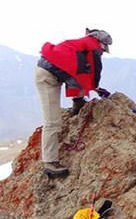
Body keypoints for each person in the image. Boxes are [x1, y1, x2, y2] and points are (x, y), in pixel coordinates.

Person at [35, 28, 112, 177]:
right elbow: (94, 72)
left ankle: (77, 103)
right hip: (47, 77)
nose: (102, 53)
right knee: (52, 122)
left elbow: (77, 71)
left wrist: (79, 99)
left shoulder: (82, 45)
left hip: (49, 72)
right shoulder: (92, 48)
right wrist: (95, 87)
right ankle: (50, 163)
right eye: (104, 50)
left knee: (54, 120)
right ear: (101, 44)